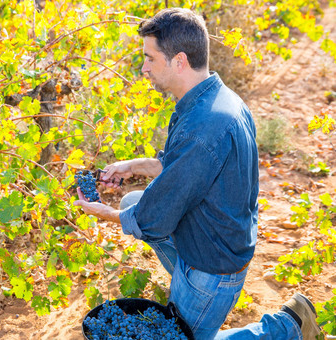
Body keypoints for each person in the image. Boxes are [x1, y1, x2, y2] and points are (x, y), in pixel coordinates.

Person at [74, 8, 321, 340]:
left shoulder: (202, 128)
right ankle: (191, 290)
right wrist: (130, 166)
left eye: (150, 58)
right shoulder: (214, 100)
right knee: (136, 198)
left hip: (212, 266)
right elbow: (182, 169)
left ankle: (287, 327)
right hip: (220, 237)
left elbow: (156, 216)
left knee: (184, 337)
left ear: (178, 61)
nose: (144, 68)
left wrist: (104, 213)